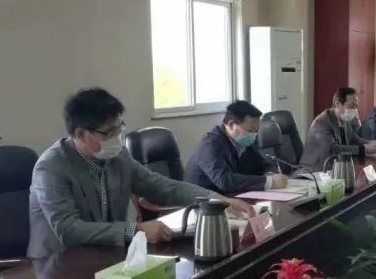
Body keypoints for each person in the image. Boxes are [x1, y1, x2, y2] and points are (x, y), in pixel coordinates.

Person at [27, 88, 255, 259]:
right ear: (80, 134)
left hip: (107, 255)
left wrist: (217, 200)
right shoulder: (51, 168)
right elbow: (69, 230)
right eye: (109, 132)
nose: (116, 138)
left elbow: (162, 186)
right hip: (57, 265)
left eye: (119, 128)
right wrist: (135, 229)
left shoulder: (118, 156)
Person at [184, 100, 288, 194]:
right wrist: (268, 182)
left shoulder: (247, 141)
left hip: (233, 197)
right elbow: (224, 180)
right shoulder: (210, 144)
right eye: (250, 131)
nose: (253, 135)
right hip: (202, 202)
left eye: (256, 131)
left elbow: (263, 164)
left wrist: (270, 174)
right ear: (231, 125)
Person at [300, 87, 376, 170]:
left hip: (336, 167)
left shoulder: (344, 120)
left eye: (356, 107)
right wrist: (364, 149)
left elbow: (354, 138)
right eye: (351, 106)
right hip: (315, 170)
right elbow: (333, 149)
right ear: (338, 103)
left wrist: (371, 143)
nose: (354, 110)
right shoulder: (322, 122)